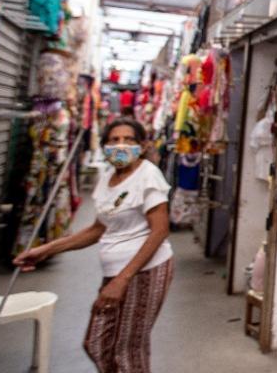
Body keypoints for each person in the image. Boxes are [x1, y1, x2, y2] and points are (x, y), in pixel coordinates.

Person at [14, 117, 174, 373]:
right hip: (116, 273)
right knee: (97, 344)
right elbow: (98, 229)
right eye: (114, 140)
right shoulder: (108, 178)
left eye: (129, 140)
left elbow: (159, 231)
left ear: (142, 146)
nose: (121, 145)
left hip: (144, 271)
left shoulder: (148, 175)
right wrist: (46, 250)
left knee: (127, 350)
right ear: (105, 145)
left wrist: (122, 280)